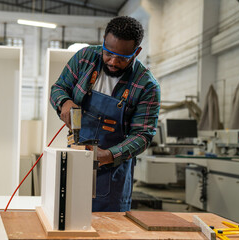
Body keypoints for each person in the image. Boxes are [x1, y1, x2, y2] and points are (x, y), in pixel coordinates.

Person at [50, 16, 160, 212]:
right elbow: (59, 88)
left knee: (111, 229)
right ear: (103, 40)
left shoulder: (147, 86)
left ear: (137, 52)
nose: (113, 62)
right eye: (108, 53)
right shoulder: (85, 58)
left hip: (114, 173)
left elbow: (143, 135)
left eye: (123, 58)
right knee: (67, 217)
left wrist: (108, 155)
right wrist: (64, 102)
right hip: (76, 161)